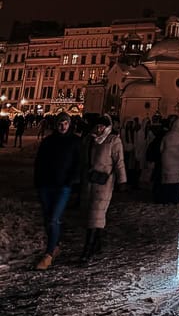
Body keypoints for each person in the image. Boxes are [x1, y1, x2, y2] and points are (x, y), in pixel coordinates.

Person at [32, 110, 81, 270]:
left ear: (69, 124)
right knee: (48, 219)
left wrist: (71, 181)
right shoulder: (47, 141)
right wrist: (38, 182)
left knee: (53, 219)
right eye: (60, 123)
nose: (63, 126)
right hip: (46, 185)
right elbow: (39, 163)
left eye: (65, 123)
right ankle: (56, 244)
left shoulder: (75, 141)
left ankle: (48, 255)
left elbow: (79, 163)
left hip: (62, 187)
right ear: (56, 124)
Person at [80, 114, 126, 266]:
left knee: (96, 214)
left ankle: (87, 250)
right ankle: (97, 243)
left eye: (102, 126)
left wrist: (122, 180)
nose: (99, 128)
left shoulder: (113, 140)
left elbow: (119, 162)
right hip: (90, 181)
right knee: (90, 213)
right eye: (97, 126)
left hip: (104, 182)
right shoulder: (90, 140)